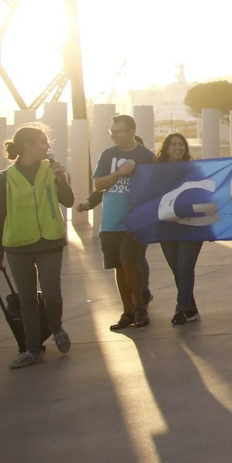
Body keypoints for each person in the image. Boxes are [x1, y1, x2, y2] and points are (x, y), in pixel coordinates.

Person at [0, 125, 75, 368]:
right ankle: (33, 348)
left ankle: (56, 328)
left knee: (51, 294)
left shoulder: (52, 170)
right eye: (42, 142)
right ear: (27, 145)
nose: (47, 147)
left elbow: (68, 200)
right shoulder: (6, 177)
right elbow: (0, 214)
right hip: (17, 245)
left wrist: (61, 178)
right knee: (26, 299)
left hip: (49, 241)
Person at [93, 114, 156, 331]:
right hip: (111, 220)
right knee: (118, 267)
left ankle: (140, 307)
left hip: (135, 220)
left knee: (130, 261)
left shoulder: (146, 156)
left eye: (117, 132)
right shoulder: (107, 155)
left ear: (130, 131)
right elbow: (98, 184)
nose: (113, 136)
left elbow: (157, 185)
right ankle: (127, 310)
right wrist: (120, 173)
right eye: (111, 132)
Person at [155, 133, 204, 325]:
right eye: (173, 144)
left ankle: (181, 308)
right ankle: (190, 308)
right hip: (167, 227)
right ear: (166, 148)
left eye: (181, 144)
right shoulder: (155, 172)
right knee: (177, 269)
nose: (178, 148)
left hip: (191, 226)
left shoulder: (194, 170)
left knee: (184, 267)